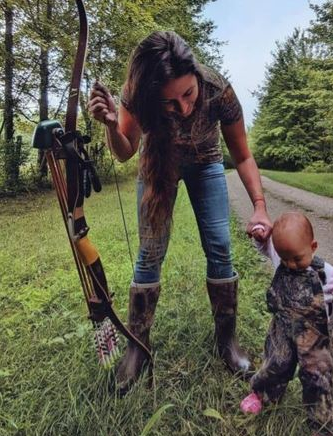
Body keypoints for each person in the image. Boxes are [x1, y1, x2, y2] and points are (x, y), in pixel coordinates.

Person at [88, 30, 272, 395]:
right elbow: (125, 151)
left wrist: (260, 206)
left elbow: (243, 155)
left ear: (197, 80)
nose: (185, 108)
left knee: (220, 245)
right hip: (159, 165)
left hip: (207, 165)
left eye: (189, 94)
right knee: (149, 253)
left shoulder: (220, 91)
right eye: (170, 102)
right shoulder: (136, 95)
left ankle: (227, 342)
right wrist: (111, 125)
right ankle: (136, 348)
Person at [240, 212, 333, 435]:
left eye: (297, 258)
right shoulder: (282, 256)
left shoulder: (325, 271)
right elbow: (265, 249)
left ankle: (321, 423)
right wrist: (260, 240)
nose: (290, 264)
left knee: (318, 376)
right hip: (283, 327)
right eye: (284, 258)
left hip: (314, 336)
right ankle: (263, 395)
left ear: (313, 246)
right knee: (275, 363)